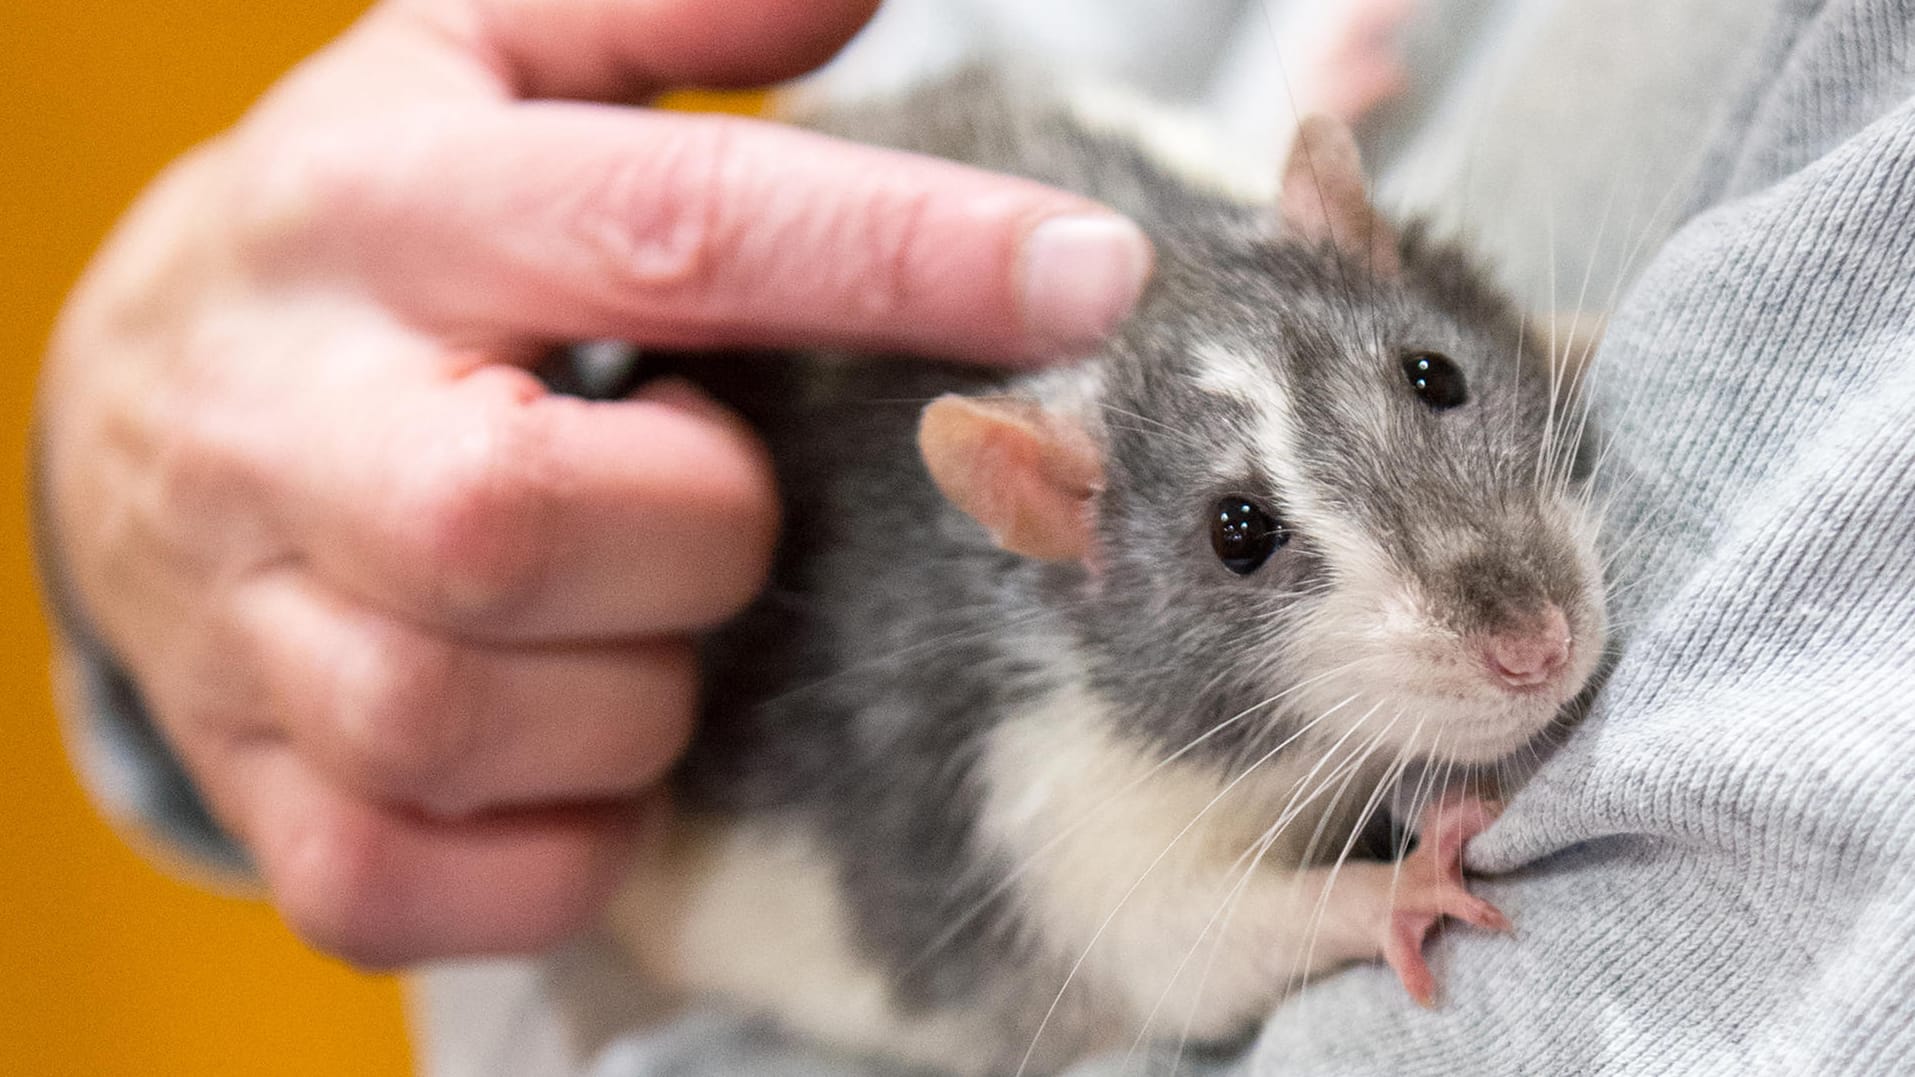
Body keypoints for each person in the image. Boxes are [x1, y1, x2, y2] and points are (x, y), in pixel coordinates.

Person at [36, 0, 1915, 1074]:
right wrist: (131, 503)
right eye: (1248, 537)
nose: (1521, 628)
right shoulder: (1061, 727)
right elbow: (1131, 941)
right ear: (1064, 523)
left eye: (1439, 386)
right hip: (672, 808)